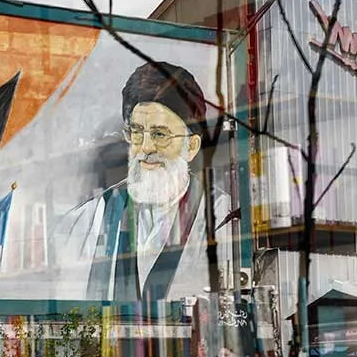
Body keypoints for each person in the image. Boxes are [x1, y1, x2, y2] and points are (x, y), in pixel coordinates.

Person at [54, 61, 232, 302]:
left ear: (191, 146)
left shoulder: (221, 220)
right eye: (137, 132)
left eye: (160, 134)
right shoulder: (87, 220)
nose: (145, 148)